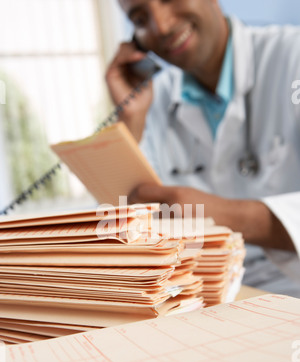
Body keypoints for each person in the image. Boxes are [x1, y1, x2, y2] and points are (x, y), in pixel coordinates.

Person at [106, 0, 300, 297]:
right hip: (203, 295)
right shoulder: (150, 101)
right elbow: (119, 235)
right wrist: (129, 121)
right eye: (140, 18)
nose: (162, 26)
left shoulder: (292, 57)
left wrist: (223, 216)